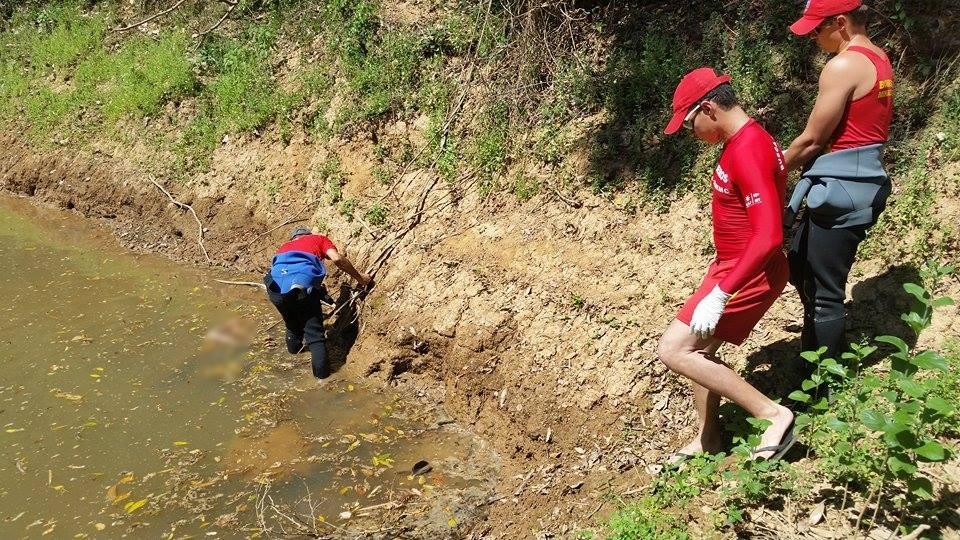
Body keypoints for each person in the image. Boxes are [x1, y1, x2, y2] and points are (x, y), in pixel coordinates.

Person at [657, 68, 794, 463]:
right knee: (699, 352)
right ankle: (709, 438)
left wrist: (721, 291)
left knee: (675, 350)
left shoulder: (750, 148)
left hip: (747, 272)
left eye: (689, 124)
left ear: (708, 108)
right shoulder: (741, 142)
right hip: (730, 267)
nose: (690, 132)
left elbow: (768, 235)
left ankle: (774, 414)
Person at [782, 0, 894, 361]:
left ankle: (824, 383)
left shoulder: (843, 65)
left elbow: (812, 140)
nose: (813, 36)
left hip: (842, 189)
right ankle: (821, 354)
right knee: (800, 263)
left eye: (817, 28)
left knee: (824, 292)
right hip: (862, 182)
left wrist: (768, 169)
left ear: (841, 22)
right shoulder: (879, 57)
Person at [263, 227, 371, 379]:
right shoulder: (319, 239)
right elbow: (337, 259)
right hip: (302, 286)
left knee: (292, 324)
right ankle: (322, 380)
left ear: (294, 238)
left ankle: (294, 353)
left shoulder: (284, 247)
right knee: (314, 336)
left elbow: (282, 270)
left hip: (275, 289)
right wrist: (360, 278)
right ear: (309, 235)